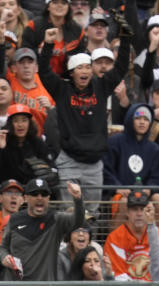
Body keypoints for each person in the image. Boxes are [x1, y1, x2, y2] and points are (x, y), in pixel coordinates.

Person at [40, 23, 132, 215]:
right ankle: (68, 245)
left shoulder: (102, 86)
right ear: (71, 73)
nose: (84, 71)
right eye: (79, 67)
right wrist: (48, 45)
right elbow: (44, 72)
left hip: (95, 163)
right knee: (69, 212)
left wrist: (125, 39)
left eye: (88, 67)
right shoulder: (62, 90)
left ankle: (89, 245)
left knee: (92, 212)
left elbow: (121, 67)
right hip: (70, 160)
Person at [0, 178, 85, 280]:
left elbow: (78, 222)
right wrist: (4, 257)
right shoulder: (14, 220)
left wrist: (78, 199)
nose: (39, 198)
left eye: (44, 194)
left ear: (49, 198)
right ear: (26, 198)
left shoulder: (56, 219)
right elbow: (3, 247)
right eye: (35, 194)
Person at [104, 190, 159, 281]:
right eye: (134, 209)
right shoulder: (114, 238)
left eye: (143, 209)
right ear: (127, 212)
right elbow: (118, 274)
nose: (139, 214)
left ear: (149, 211)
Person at [104, 103, 159, 194]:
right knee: (123, 202)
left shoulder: (155, 149)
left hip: (143, 196)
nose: (142, 122)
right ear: (130, 119)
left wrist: (149, 189)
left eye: (146, 119)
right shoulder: (115, 142)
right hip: (119, 194)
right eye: (137, 118)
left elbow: (155, 177)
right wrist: (117, 188)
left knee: (158, 199)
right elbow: (106, 170)